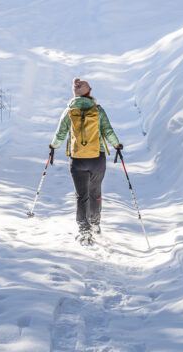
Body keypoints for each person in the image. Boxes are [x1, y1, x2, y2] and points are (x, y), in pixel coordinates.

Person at [49, 77, 122, 242]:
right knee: (95, 191)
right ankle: (95, 223)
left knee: (81, 195)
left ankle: (84, 231)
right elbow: (108, 130)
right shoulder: (97, 110)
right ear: (88, 93)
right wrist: (117, 145)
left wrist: (53, 146)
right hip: (97, 159)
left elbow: (60, 134)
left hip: (77, 160)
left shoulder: (69, 110)